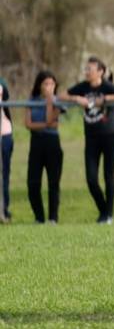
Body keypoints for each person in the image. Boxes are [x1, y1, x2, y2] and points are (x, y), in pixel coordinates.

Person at [62, 57, 114, 224]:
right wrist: (76, 99)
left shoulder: (107, 86)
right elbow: (62, 94)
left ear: (100, 72)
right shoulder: (83, 87)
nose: (86, 72)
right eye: (85, 69)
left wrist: (105, 100)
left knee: (108, 175)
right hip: (91, 138)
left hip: (111, 136)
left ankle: (108, 215)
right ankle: (104, 211)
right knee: (91, 178)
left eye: (90, 69)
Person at [25, 71, 64, 224]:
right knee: (33, 183)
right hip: (36, 144)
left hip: (52, 143)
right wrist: (45, 125)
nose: (49, 87)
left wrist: (49, 102)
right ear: (39, 85)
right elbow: (28, 124)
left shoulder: (57, 101)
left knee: (53, 182)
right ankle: (39, 217)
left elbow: (52, 121)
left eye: (52, 84)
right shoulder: (32, 100)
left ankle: (53, 218)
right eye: (46, 84)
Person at [1, 76, 12, 223]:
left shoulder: (1, 82)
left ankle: (3, 211)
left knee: (4, 174)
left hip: (3, 133)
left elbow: (7, 98)